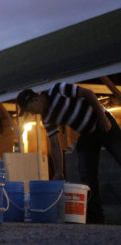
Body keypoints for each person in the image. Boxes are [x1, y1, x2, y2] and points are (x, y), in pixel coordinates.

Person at [16, 83, 121, 224]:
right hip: (86, 134)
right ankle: (96, 218)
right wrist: (59, 171)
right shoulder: (47, 118)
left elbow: (88, 93)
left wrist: (102, 116)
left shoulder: (58, 90)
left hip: (101, 122)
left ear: (35, 99)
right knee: (87, 175)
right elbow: (54, 144)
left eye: (30, 109)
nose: (32, 113)